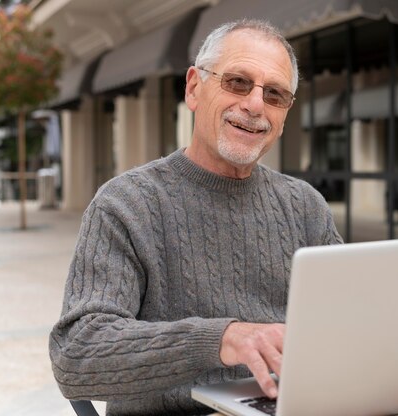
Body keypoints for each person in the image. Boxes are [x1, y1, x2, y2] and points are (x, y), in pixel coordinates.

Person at [49, 19, 343, 416]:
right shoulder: (126, 204)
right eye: (237, 82)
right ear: (193, 88)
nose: (255, 104)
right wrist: (219, 340)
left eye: (274, 94)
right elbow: (76, 355)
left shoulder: (305, 206)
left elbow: (344, 329)